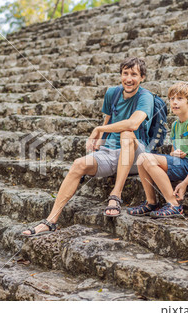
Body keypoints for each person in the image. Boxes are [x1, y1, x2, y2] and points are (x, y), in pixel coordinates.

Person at [23, 57, 154, 236]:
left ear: (142, 78)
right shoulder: (112, 94)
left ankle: (115, 196)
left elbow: (132, 124)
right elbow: (108, 119)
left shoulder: (145, 97)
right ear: (120, 75)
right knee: (78, 164)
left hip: (136, 156)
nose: (129, 79)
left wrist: (98, 129)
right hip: (110, 153)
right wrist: (99, 138)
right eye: (125, 73)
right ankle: (50, 221)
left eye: (134, 74)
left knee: (126, 134)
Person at [127, 81, 188, 218]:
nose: (174, 102)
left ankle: (174, 205)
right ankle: (151, 202)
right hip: (181, 163)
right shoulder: (176, 125)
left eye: (179, 99)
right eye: (172, 99)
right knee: (142, 157)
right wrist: (175, 153)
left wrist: (184, 183)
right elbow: (172, 152)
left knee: (146, 158)